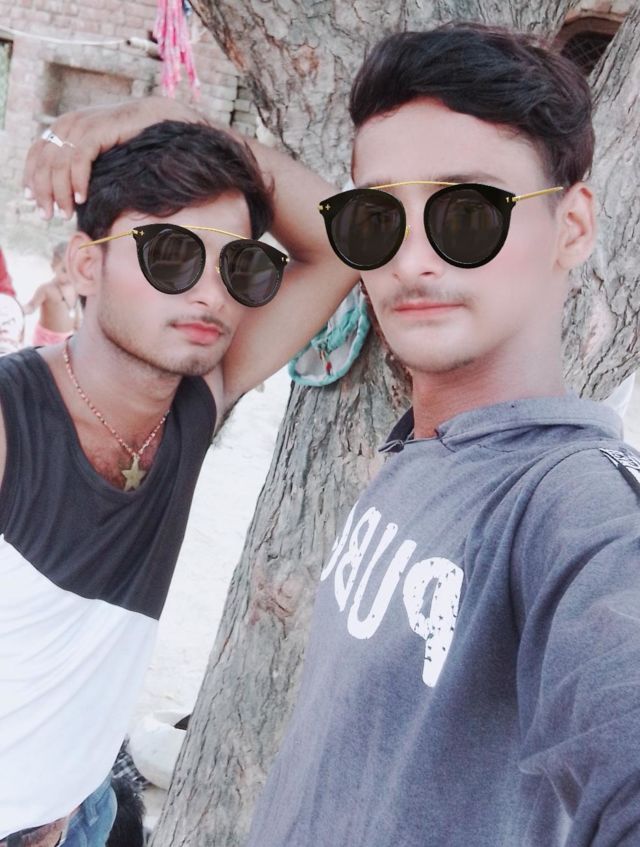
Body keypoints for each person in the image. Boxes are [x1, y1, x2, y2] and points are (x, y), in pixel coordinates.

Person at [22, 22, 640, 846]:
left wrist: (177, 120)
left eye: (467, 213)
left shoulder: (579, 510)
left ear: (573, 226)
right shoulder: (422, 451)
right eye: (378, 217)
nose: (411, 259)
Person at [4, 119, 357, 846]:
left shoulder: (192, 405)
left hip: (80, 815)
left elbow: (341, 245)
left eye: (240, 266)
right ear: (85, 266)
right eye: (172, 253)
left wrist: (177, 115)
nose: (211, 293)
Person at [23, 240, 82, 346]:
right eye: (64, 270)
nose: (69, 275)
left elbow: (75, 308)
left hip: (66, 338)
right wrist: (23, 309)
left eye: (73, 270)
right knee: (41, 356)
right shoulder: (46, 289)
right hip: (45, 338)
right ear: (53, 266)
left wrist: (78, 325)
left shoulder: (75, 288)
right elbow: (32, 305)